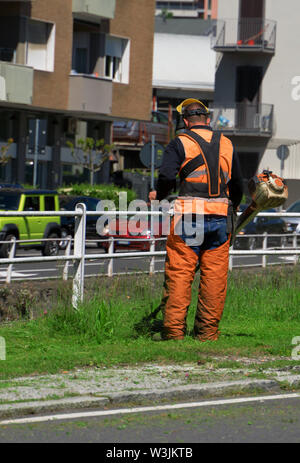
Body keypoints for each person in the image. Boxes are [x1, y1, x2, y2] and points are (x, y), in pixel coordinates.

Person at [150, 98, 244, 342]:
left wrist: (158, 195)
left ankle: (173, 333)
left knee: (180, 275)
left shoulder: (179, 143)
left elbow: (167, 177)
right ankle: (207, 333)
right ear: (208, 119)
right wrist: (234, 205)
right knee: (214, 278)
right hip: (220, 219)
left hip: (188, 218)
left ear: (185, 121)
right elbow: (237, 185)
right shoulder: (227, 144)